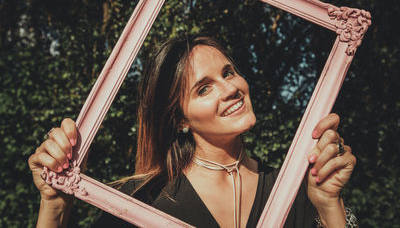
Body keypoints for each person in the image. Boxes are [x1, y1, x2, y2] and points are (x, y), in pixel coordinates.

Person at [29, 34, 357, 228]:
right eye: (203, 89)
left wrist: (329, 204)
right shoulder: (141, 202)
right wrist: (54, 205)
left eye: (229, 73)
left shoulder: (296, 191)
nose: (231, 88)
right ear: (180, 120)